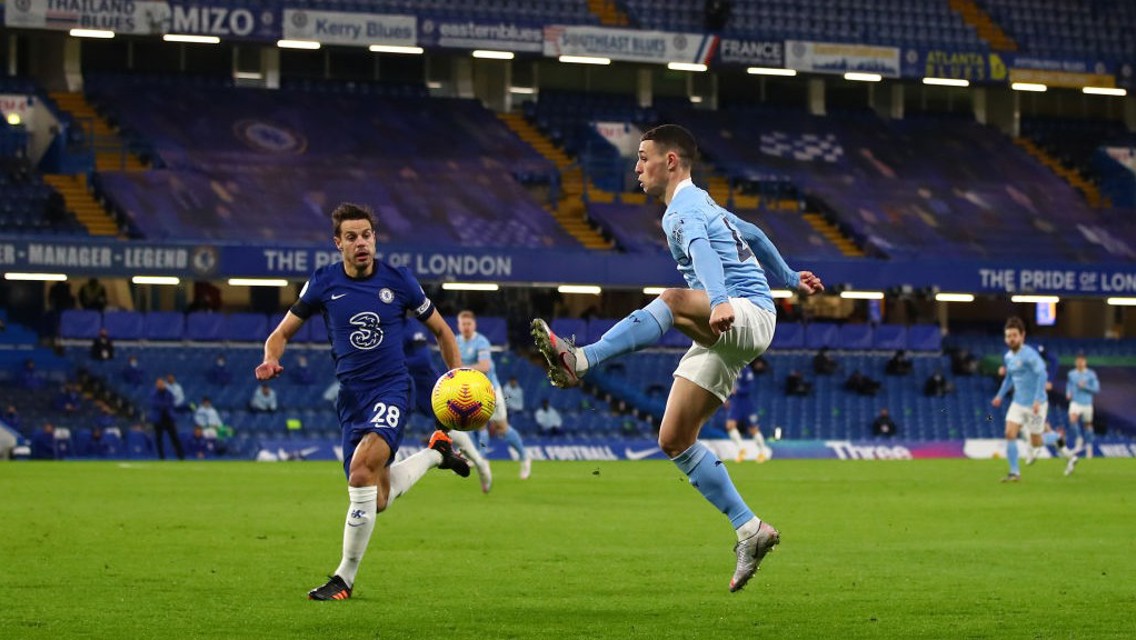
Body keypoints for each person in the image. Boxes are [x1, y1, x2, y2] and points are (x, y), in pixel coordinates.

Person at [530, 124, 824, 592]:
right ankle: (750, 529)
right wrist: (790, 276)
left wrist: (721, 298)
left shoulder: (682, 209)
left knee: (671, 299)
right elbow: (757, 234)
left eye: (643, 157)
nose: (636, 167)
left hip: (741, 311)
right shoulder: (706, 202)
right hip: (740, 319)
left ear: (670, 162)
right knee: (674, 439)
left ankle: (581, 360)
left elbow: (704, 252)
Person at [255, 202, 471, 601]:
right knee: (379, 496)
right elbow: (280, 334)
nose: (361, 243)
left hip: (391, 390)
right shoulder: (322, 283)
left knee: (360, 474)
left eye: (367, 235)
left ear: (376, 238)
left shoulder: (400, 281)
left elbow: (443, 331)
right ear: (337, 243)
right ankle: (437, 454)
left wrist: (454, 379)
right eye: (352, 237)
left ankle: (344, 578)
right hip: (352, 400)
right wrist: (271, 358)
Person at [403, 323, 492, 492]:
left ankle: (479, 463)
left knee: (449, 425)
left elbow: (422, 359)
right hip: (404, 383)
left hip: (428, 385)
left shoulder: (410, 327)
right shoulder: (383, 326)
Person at [457, 310, 532, 480]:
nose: (466, 327)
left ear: (474, 325)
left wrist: (463, 367)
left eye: (469, 324)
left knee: (502, 429)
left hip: (490, 388)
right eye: (463, 324)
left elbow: (484, 366)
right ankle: (479, 459)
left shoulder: (481, 341)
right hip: (471, 391)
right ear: (459, 325)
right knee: (475, 424)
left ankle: (524, 456)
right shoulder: (456, 341)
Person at [991, 316, 1048, 482]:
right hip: (1018, 402)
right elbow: (1009, 378)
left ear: (1022, 336)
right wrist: (999, 396)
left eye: (1014, 335)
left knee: (1036, 441)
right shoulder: (1008, 357)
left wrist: (1037, 399)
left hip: (1036, 404)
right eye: (1008, 336)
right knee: (1009, 433)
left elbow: (1042, 373)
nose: (1011, 339)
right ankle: (1014, 473)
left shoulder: (1030, 355)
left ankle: (1056, 439)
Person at [725, 359, 770, 463]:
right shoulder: (731, 370)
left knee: (753, 429)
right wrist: (728, 398)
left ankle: (763, 452)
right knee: (730, 425)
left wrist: (737, 391)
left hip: (746, 403)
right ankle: (742, 450)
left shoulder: (747, 370)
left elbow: (749, 388)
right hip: (736, 403)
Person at [1064, 352, 1101, 475]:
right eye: (1078, 360)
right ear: (1076, 362)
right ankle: (1079, 439)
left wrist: (1085, 387)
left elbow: (1096, 389)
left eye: (1082, 360)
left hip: (1087, 403)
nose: (1080, 362)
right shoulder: (1071, 374)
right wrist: (1068, 392)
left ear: (1085, 362)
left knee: (1088, 426)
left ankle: (1089, 446)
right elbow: (1069, 384)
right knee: (1072, 419)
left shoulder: (1091, 374)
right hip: (1075, 402)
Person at [149, 377, 184, 461]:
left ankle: (181, 457)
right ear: (156, 385)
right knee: (158, 439)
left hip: (168, 417)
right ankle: (161, 457)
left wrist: (164, 405)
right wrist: (164, 405)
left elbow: (171, 403)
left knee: (174, 438)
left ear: (164, 384)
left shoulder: (169, 393)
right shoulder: (153, 393)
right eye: (158, 384)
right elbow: (154, 404)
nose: (160, 385)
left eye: (161, 383)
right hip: (158, 418)